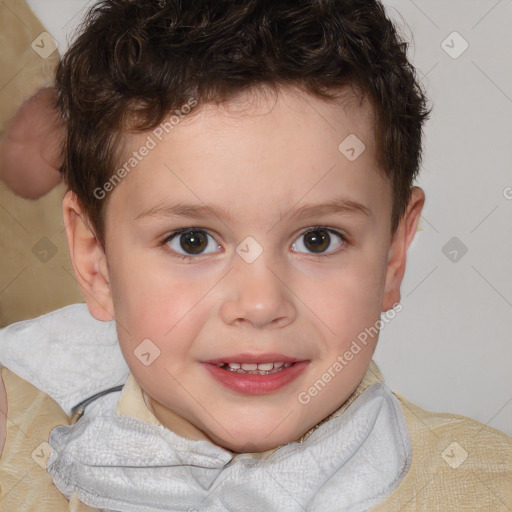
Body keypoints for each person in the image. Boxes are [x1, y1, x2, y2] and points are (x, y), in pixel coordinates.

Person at [1, 0, 511, 510]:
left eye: (318, 239)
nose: (261, 303)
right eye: (192, 241)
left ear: (394, 255)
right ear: (96, 262)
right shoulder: (19, 473)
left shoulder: (488, 487)